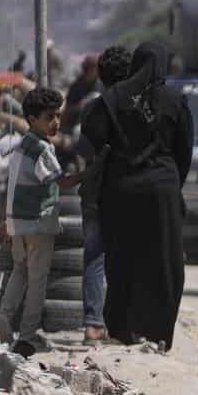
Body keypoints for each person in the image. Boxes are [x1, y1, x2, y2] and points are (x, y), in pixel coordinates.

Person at [83, 41, 193, 350]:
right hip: (163, 191)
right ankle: (158, 333)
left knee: (121, 260)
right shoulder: (175, 99)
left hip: (121, 191)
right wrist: (172, 183)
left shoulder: (111, 99)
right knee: (165, 263)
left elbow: (91, 143)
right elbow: (185, 150)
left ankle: (121, 329)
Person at [0, 87, 74, 356]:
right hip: (38, 223)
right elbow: (60, 181)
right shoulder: (41, 149)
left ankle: (4, 315)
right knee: (38, 280)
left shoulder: (20, 146)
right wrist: (92, 171)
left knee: (20, 271)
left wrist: (7, 220)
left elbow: (13, 186)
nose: (56, 122)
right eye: (50, 117)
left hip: (18, 223)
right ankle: (27, 336)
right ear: (31, 118)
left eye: (58, 116)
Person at [73, 45, 132, 345]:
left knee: (94, 259)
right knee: (124, 259)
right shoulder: (136, 107)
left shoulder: (93, 108)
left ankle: (93, 326)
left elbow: (82, 150)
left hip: (96, 193)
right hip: (127, 193)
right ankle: (120, 326)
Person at [64, 54, 103, 132]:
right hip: (77, 123)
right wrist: (80, 106)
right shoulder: (76, 86)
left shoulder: (102, 84)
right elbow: (68, 111)